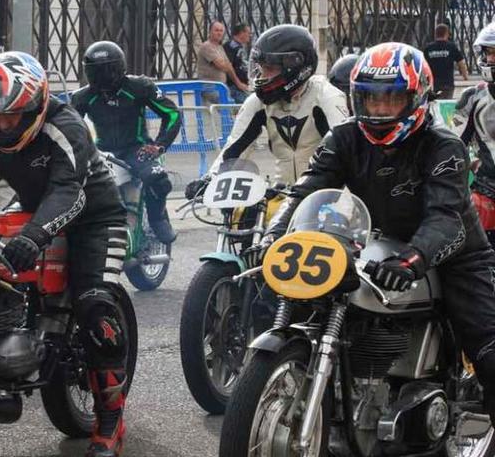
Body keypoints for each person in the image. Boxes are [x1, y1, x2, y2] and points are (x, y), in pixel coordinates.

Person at [248, 42, 495, 425]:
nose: (379, 110)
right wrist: (274, 236)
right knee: (291, 300)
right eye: (369, 99)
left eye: (391, 99)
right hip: (377, 243)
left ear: (416, 97)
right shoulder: (345, 137)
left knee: (486, 342)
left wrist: (413, 259)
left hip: (452, 251)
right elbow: (308, 189)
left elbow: (446, 218)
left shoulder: (442, 145)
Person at [0, 51, 130, 457]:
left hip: (95, 218)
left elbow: (68, 191)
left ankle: (110, 419)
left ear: (35, 105)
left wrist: (34, 235)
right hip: (30, 212)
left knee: (95, 307)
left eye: (12, 115)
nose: (3, 124)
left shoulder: (66, 126)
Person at [184, 24, 349, 199]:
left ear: (293, 67)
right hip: (283, 196)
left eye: (269, 69)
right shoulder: (258, 102)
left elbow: (346, 154)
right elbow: (235, 148)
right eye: (261, 68)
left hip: (325, 198)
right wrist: (211, 179)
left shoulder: (326, 97)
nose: (262, 76)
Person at [71, 41, 181, 243]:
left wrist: (159, 145)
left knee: (157, 178)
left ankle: (158, 219)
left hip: (136, 149)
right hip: (102, 152)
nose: (103, 77)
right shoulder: (81, 97)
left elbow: (172, 114)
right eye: (97, 72)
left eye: (107, 71)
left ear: (119, 68)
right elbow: (69, 129)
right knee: (71, 183)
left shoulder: (140, 86)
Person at [453, 22, 495, 244]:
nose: (490, 60)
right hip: (487, 192)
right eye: (488, 53)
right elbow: (452, 148)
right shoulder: (472, 98)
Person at [423, 23, 469, 100]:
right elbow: (461, 63)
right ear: (447, 33)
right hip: (447, 84)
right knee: (446, 106)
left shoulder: (428, 48)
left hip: (433, 83)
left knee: (433, 105)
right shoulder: (451, 47)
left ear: (435, 34)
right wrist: (465, 76)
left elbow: (423, 65)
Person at [224, 23, 252, 103]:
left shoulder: (240, 47)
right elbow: (229, 66)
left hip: (242, 86)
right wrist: (238, 83)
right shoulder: (231, 46)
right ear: (241, 33)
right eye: (248, 33)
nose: (250, 35)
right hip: (234, 87)